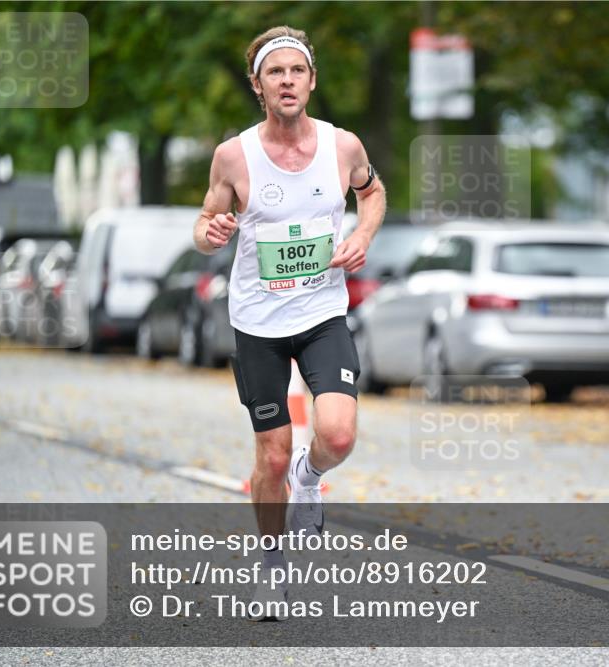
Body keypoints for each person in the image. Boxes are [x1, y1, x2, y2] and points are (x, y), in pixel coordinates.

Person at [193, 25, 386, 620]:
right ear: (259, 86)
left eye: (296, 71)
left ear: (311, 81)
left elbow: (373, 194)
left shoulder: (342, 146)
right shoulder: (234, 155)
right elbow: (204, 226)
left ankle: (312, 475)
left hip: (323, 312)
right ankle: (272, 569)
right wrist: (213, 232)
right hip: (257, 321)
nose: (287, 81)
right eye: (274, 72)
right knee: (269, 457)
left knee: (339, 435)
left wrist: (360, 234)